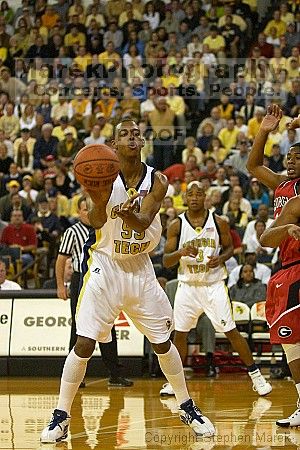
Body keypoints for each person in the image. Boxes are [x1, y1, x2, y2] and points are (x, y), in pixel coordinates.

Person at [40, 119, 215, 443]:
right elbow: (93, 221)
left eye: (136, 133)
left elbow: (145, 221)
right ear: (114, 144)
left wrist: (125, 213)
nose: (132, 137)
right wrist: (97, 196)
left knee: (163, 341)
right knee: (84, 342)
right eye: (124, 134)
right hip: (105, 266)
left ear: (142, 141)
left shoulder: (157, 180)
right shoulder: (102, 176)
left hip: (140, 268)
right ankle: (61, 416)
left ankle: (187, 406)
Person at [159, 181, 272, 397]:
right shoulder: (177, 225)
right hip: (188, 286)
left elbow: (230, 248)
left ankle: (256, 376)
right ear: (184, 198)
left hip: (213, 285)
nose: (194, 198)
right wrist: (182, 252)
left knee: (230, 330)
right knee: (180, 334)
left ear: (206, 198)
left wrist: (220, 258)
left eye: (198, 194)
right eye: (190, 194)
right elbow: (166, 261)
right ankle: (174, 382)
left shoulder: (218, 222)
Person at [55, 195, 133, 388]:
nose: (87, 212)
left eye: (90, 208)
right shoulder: (72, 231)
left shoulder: (106, 227)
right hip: (81, 279)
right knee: (79, 328)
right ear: (79, 212)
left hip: (105, 279)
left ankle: (115, 374)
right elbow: (60, 259)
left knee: (108, 325)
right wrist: (60, 285)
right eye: (84, 209)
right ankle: (76, 376)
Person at [259, 195, 300, 426]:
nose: (291, 161)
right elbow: (265, 239)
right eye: (290, 156)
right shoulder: (295, 204)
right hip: (294, 272)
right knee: (291, 341)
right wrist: (287, 228)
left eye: (297, 156)